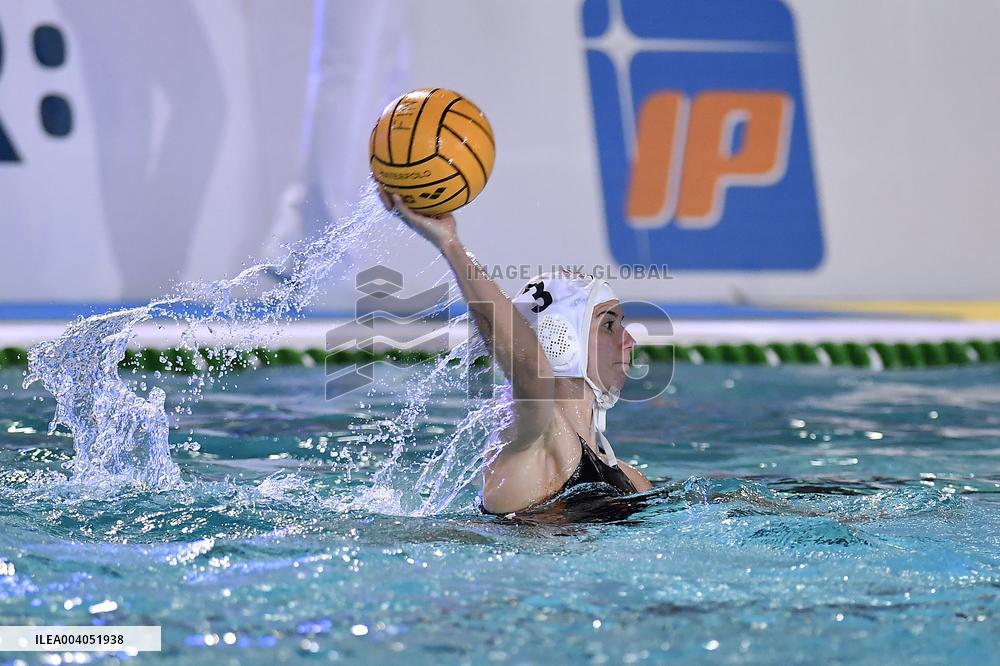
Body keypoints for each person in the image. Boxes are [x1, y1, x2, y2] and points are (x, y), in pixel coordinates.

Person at [379, 191, 652, 515]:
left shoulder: (632, 480)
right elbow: (528, 365)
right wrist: (450, 244)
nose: (629, 340)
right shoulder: (535, 437)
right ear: (560, 338)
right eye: (609, 325)